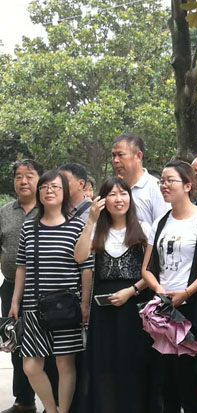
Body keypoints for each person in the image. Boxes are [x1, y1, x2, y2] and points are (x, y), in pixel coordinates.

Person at [141, 160, 197, 413]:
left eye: (170, 181)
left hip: (192, 308)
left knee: (193, 383)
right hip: (162, 311)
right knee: (165, 384)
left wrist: (187, 292)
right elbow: (146, 268)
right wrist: (159, 291)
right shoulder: (160, 222)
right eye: (162, 181)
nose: (164, 186)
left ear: (188, 186)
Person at [9, 170, 94, 413]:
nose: (49, 191)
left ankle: (63, 410)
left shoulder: (77, 226)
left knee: (65, 365)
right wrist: (15, 301)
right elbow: (22, 267)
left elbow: (86, 268)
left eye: (55, 187)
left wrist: (85, 304)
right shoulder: (29, 227)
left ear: (64, 192)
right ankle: (51, 409)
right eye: (45, 187)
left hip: (66, 306)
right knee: (31, 367)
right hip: (33, 305)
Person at [73, 177, 156, 413]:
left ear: (130, 198)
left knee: (134, 362)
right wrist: (90, 220)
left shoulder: (144, 229)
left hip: (135, 306)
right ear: (103, 200)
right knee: (104, 364)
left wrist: (131, 291)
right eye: (112, 194)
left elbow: (152, 270)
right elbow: (79, 257)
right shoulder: (98, 230)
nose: (118, 199)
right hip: (104, 310)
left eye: (123, 193)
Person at [0, 160, 43, 413]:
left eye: (29, 176)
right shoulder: (4, 212)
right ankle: (24, 401)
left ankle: (55, 402)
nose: (23, 181)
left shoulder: (49, 208)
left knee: (46, 345)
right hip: (10, 289)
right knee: (15, 343)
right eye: (18, 176)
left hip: (44, 289)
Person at [111, 133, 167, 226]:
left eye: (120, 155)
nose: (115, 160)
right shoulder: (113, 189)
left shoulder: (155, 188)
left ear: (138, 156)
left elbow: (163, 228)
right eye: (113, 155)